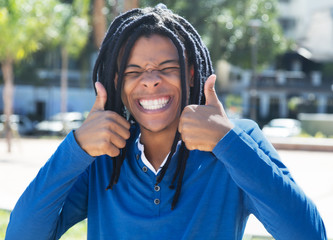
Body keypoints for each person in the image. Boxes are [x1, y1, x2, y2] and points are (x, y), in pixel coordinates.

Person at [6, 4, 326, 240]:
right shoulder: (102, 156)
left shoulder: (239, 141)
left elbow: (309, 234)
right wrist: (75, 147)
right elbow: (22, 234)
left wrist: (227, 141)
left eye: (166, 68)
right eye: (134, 72)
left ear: (190, 74)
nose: (151, 81)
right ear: (118, 82)